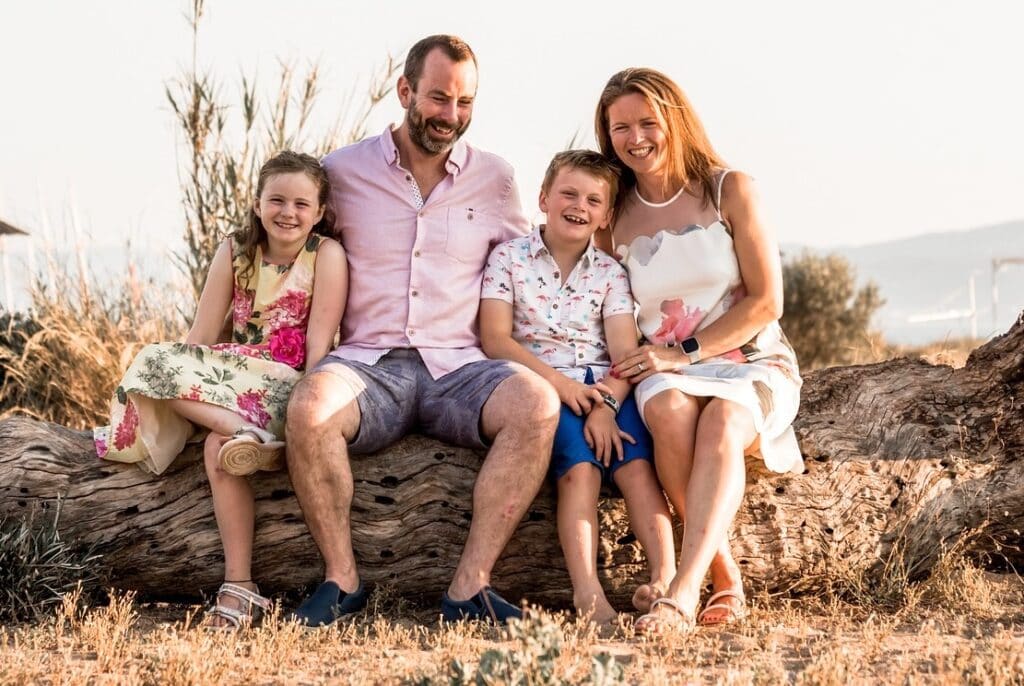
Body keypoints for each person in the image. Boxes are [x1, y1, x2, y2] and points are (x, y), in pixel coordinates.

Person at [284, 34, 560, 627]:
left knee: (536, 405)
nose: (451, 116)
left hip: (459, 367)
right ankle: (342, 580)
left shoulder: (496, 179)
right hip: (367, 364)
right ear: (405, 90)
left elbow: (526, 268)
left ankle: (470, 587)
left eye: (464, 103)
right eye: (439, 99)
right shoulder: (342, 171)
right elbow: (293, 245)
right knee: (308, 408)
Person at [94, 151, 348, 628]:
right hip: (234, 383)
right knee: (175, 386)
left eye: (300, 203)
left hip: (287, 385)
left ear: (319, 212)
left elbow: (319, 346)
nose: (287, 212)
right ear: (257, 204)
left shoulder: (325, 255)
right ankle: (242, 586)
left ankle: (252, 436)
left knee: (199, 419)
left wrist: (305, 412)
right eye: (276, 199)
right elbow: (200, 340)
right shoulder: (234, 250)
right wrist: (192, 387)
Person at [594, 68, 803, 633]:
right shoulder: (611, 215)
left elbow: (766, 302)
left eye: (647, 123)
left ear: (675, 121)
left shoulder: (729, 188)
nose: (635, 138)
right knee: (665, 411)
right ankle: (725, 575)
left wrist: (683, 352)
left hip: (749, 356)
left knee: (724, 424)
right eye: (620, 128)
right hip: (662, 365)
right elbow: (607, 302)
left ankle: (683, 594)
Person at [479, 150, 676, 625]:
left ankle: (665, 580)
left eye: (593, 200)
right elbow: (495, 339)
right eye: (568, 193)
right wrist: (562, 388)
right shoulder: (508, 258)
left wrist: (606, 404)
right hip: (541, 383)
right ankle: (589, 596)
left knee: (638, 471)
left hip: (607, 385)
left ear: (606, 215)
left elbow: (624, 353)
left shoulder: (610, 273)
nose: (579, 206)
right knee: (580, 475)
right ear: (544, 198)